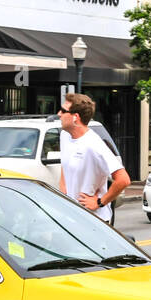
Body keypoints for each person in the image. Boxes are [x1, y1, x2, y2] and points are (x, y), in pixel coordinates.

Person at [56, 93, 130, 226]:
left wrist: (99, 202)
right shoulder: (64, 136)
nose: (58, 114)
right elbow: (65, 166)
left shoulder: (94, 145)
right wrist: (64, 196)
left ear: (75, 117)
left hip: (95, 222)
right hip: (71, 218)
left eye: (63, 111)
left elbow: (123, 179)